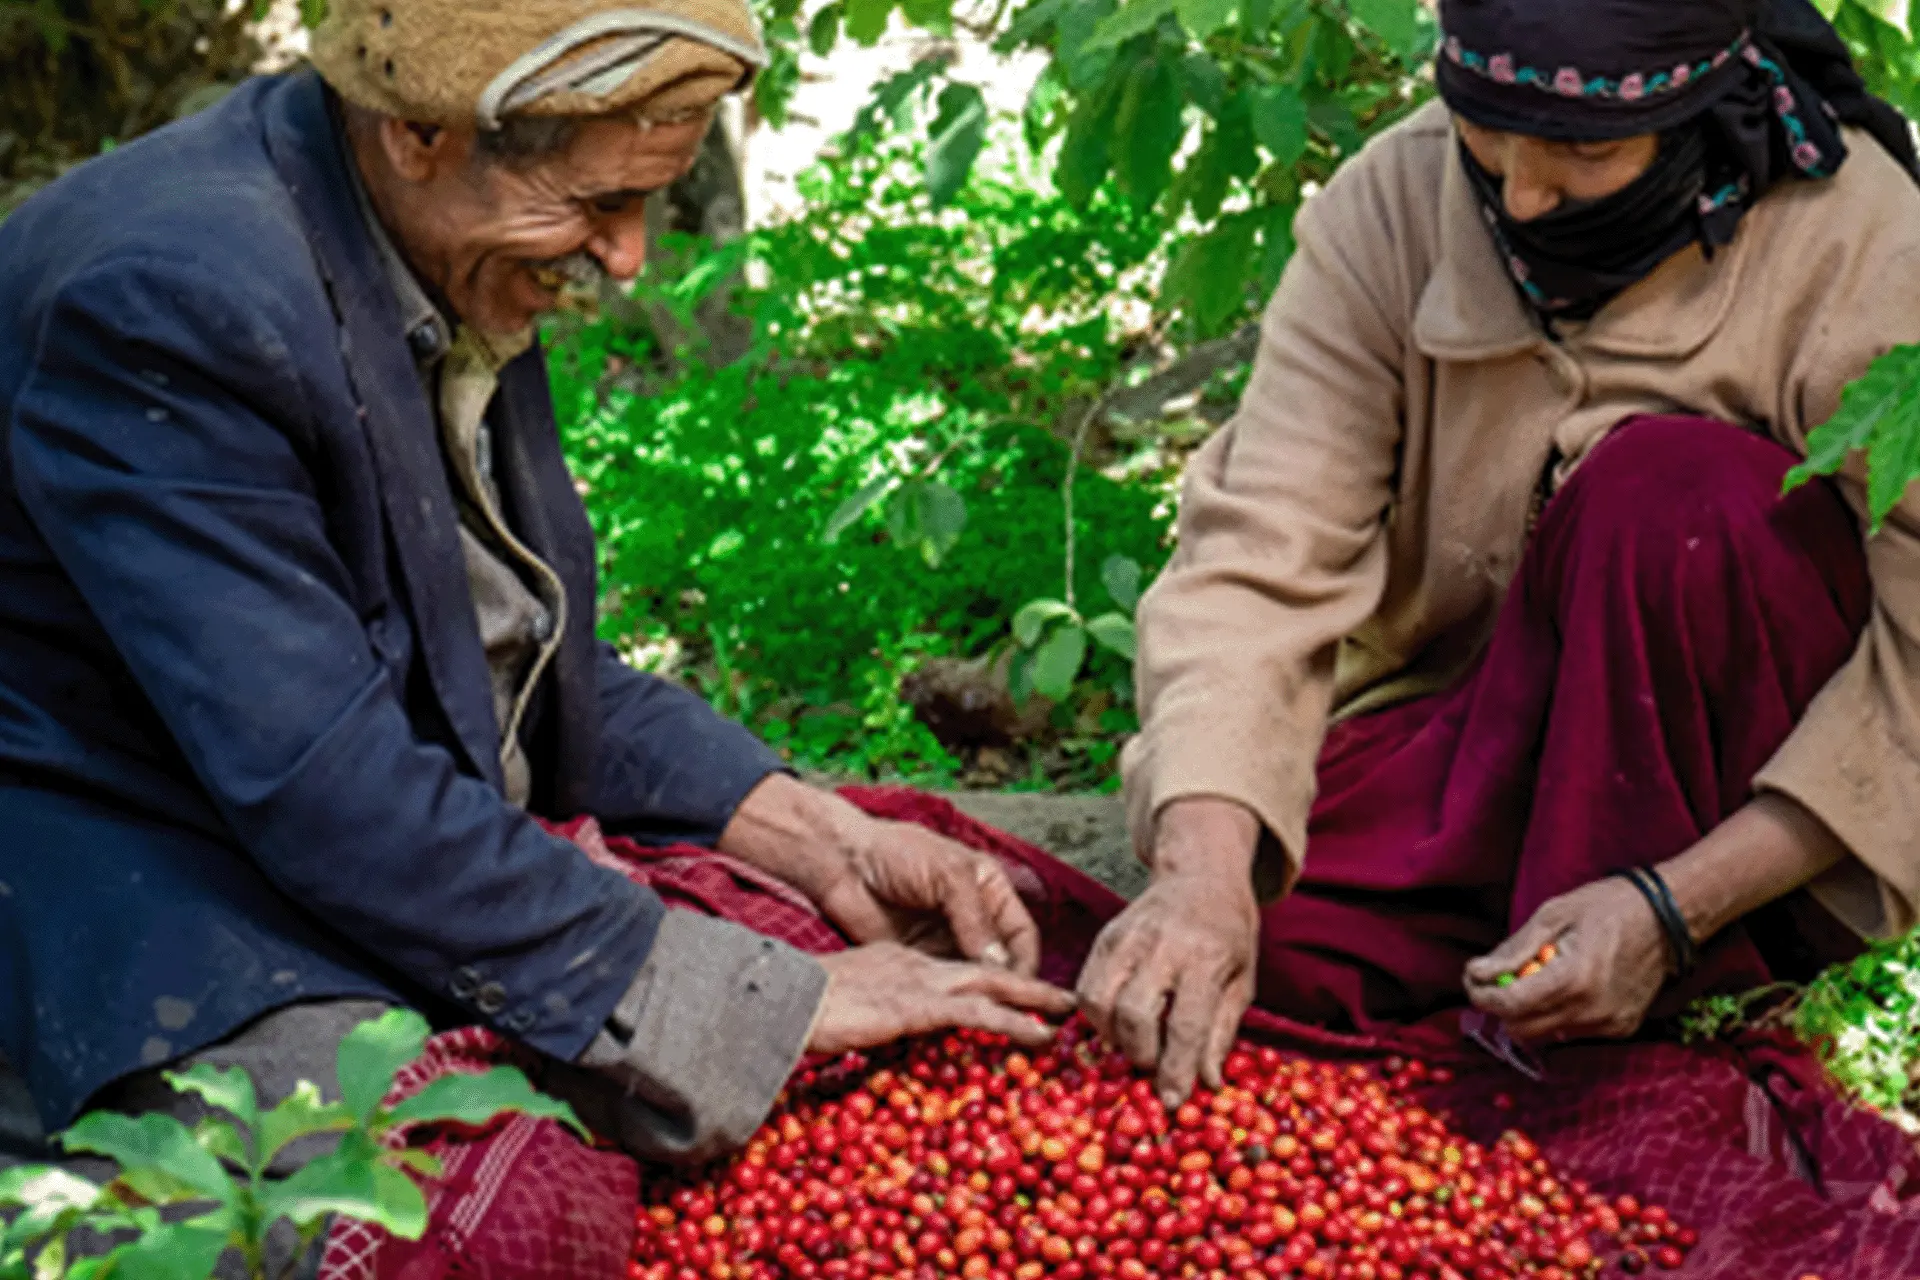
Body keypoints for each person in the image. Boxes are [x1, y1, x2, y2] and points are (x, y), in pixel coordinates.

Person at [0, 0, 1072, 1176]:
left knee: (804, 947)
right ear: (419, 130)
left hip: (302, 800)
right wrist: (742, 1000)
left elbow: (520, 660)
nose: (629, 257)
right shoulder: (167, 303)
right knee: (462, 1175)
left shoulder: (423, 231)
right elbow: (320, 782)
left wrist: (824, 841)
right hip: (117, 873)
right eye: (601, 204)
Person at [1079, 0, 1920, 1106]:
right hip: (1465, 752)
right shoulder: (1393, 199)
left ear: (1692, 104)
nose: (1521, 193)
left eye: (1584, 150)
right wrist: (1201, 874)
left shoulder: (1858, 233)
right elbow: (1259, 553)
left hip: (1723, 797)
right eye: (1487, 131)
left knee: (1671, 497)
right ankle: (1513, 962)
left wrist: (1675, 904)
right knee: (1241, 957)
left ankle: (1683, 976)